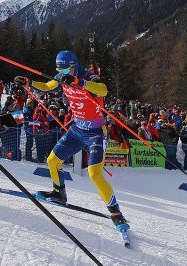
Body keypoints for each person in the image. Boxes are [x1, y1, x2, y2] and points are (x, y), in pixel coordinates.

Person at [15, 50, 129, 232]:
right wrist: (29, 83)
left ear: (74, 66)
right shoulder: (62, 76)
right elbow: (47, 86)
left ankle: (116, 213)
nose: (63, 74)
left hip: (96, 132)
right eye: (60, 71)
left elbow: (103, 89)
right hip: (77, 129)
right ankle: (59, 192)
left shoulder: (88, 76)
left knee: (94, 173)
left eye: (66, 70)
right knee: (52, 161)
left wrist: (79, 82)